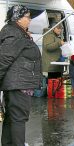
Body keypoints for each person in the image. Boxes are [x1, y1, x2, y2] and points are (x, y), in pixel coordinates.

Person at [0, 5, 42, 146]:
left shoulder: (17, 32)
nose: (30, 20)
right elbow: (4, 59)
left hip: (18, 82)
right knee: (18, 119)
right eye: (27, 16)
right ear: (18, 18)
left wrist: (25, 37)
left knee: (13, 118)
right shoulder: (13, 33)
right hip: (18, 83)